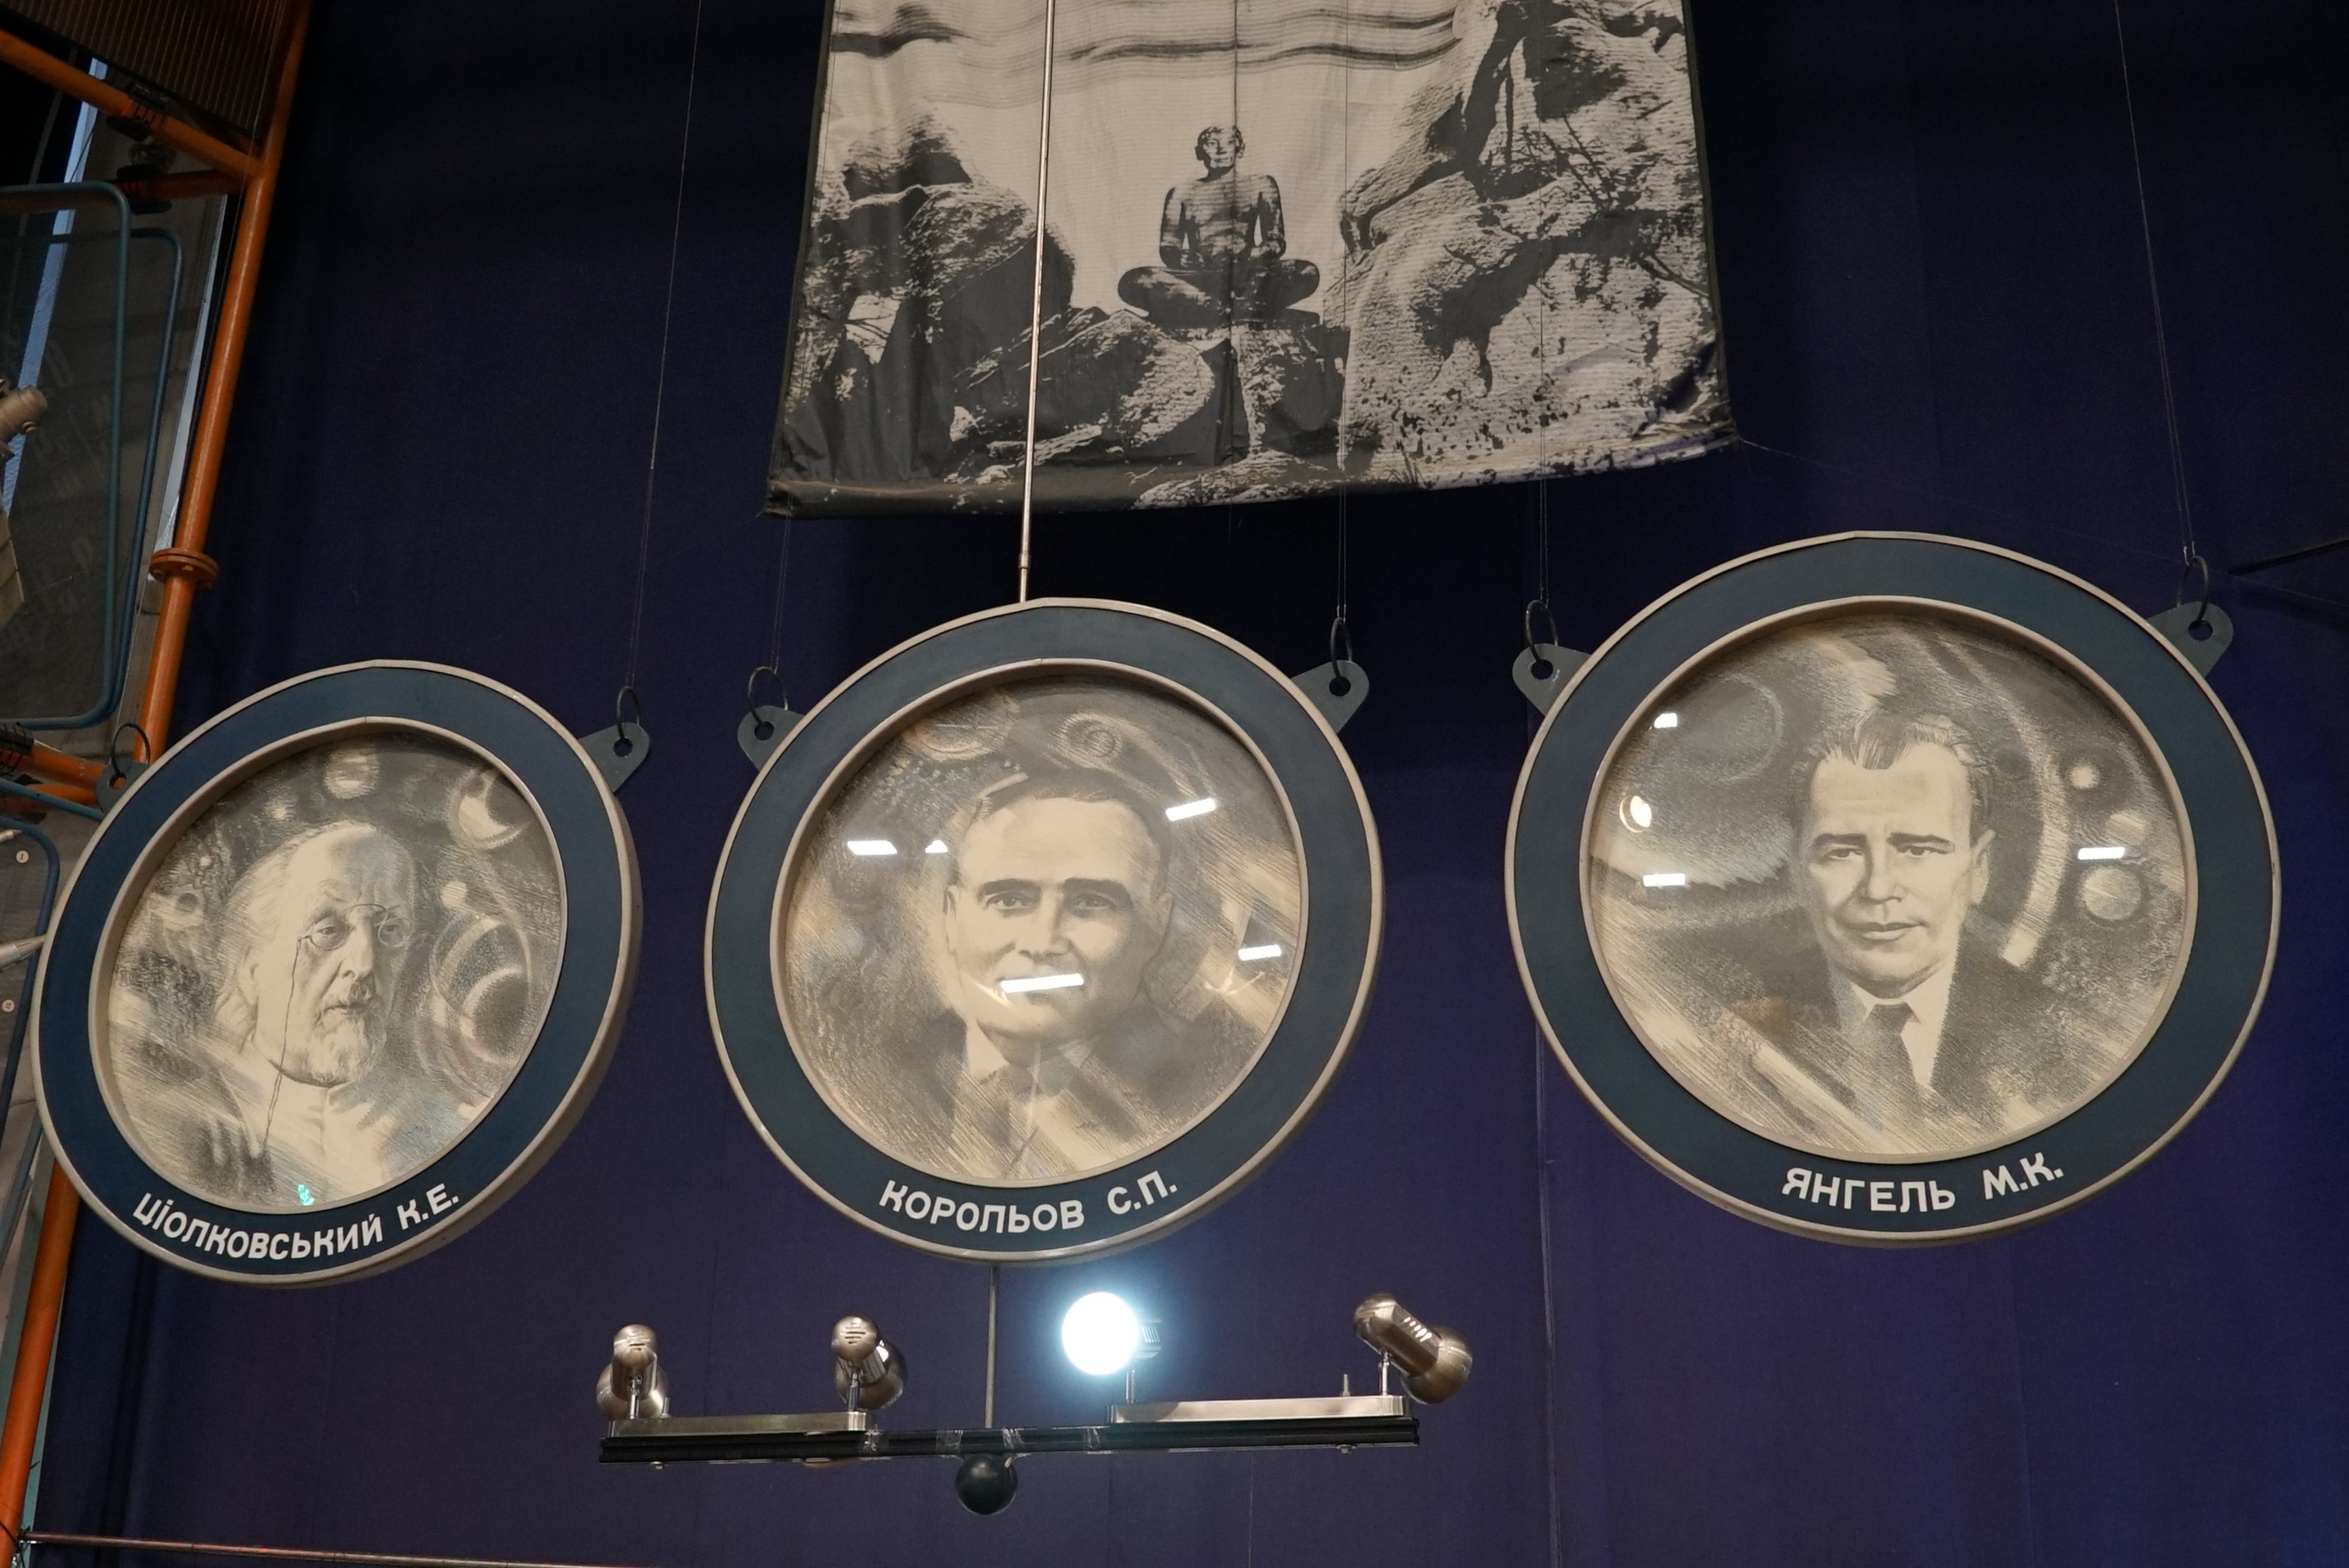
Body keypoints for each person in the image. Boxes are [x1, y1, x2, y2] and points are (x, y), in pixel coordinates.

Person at [1724, 710, 2088, 1151]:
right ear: (1797, 871)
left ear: (1978, 869)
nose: (1878, 888)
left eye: (1917, 849)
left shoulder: (2067, 1038)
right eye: (1842, 852)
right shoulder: (1732, 1026)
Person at [899, 771, 1236, 1182]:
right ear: (951, 918)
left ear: (1156, 925)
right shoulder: (888, 1065)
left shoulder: (1215, 1082)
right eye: (1009, 900)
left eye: (1091, 902)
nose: (1042, 942)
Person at [115, 821, 459, 1207]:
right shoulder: (174, 1125)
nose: (364, 964)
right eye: (328, 931)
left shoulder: (444, 1125)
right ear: (251, 968)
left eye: (391, 930)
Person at [1118, 126, 1320, 331]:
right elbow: (1168, 247)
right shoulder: (1181, 193)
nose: (1221, 150)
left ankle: (1207, 310)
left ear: (1240, 149)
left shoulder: (1261, 185)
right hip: (1199, 278)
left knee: (1306, 272)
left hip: (1249, 274)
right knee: (1135, 280)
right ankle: (1232, 308)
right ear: (1200, 152)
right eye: (1211, 144)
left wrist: (1253, 255)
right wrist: (1186, 259)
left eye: (1229, 143)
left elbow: (1276, 242)